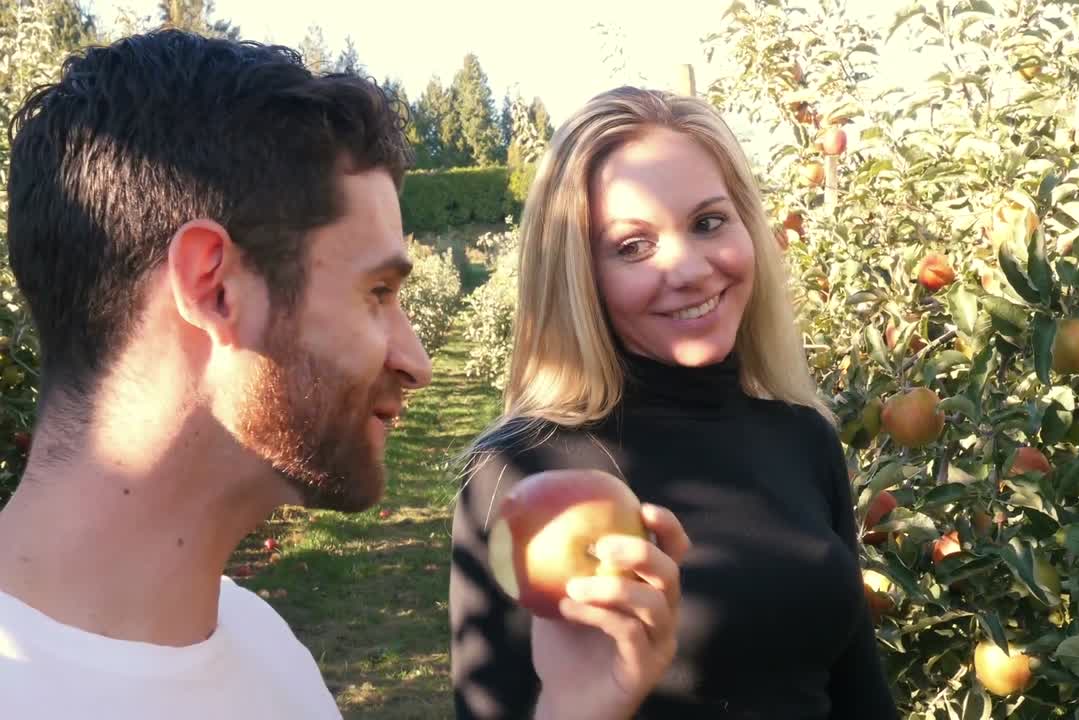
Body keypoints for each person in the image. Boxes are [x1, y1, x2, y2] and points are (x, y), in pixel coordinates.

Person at [0, 30, 685, 720]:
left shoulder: (266, 654)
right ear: (214, 289)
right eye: (378, 294)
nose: (415, 361)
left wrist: (573, 707)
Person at [449, 86, 899, 719]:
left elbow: (857, 690)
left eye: (708, 222)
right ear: (581, 276)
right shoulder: (522, 472)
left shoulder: (803, 436)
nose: (688, 266)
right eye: (633, 246)